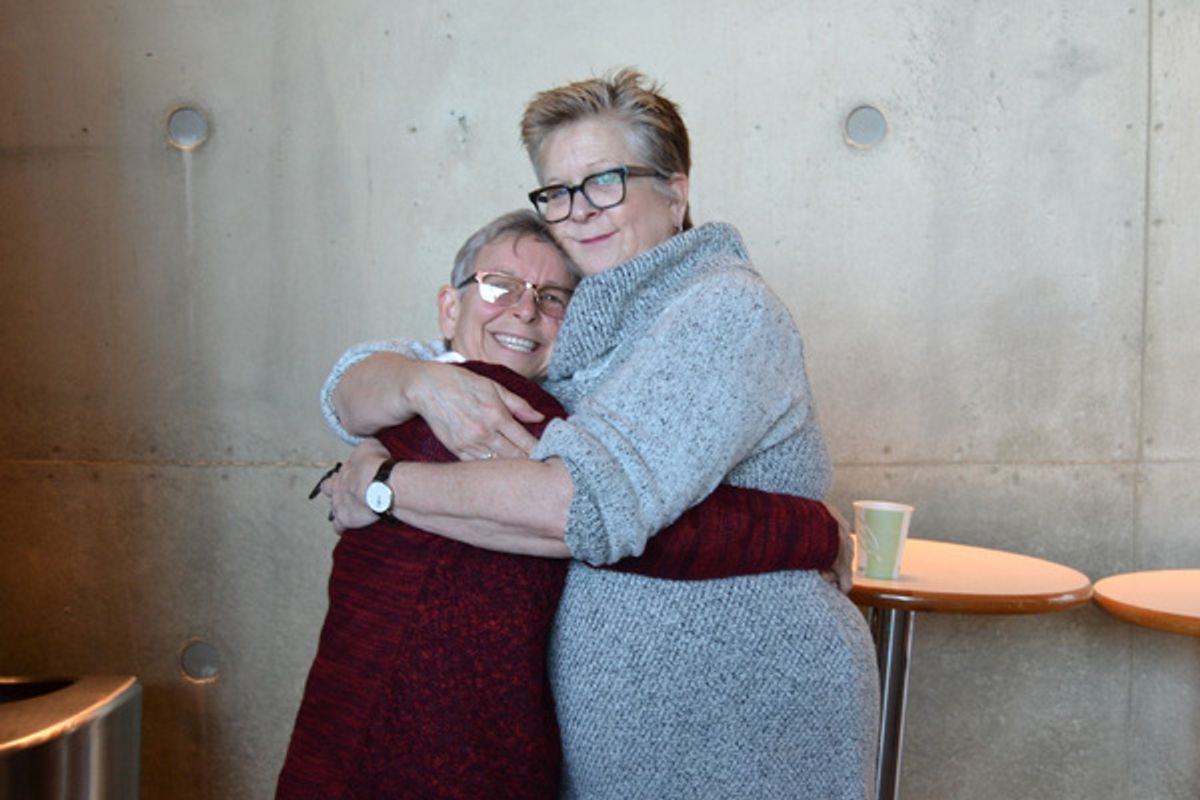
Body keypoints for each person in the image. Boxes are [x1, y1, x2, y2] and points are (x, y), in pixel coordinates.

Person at [323, 69, 878, 798]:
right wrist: (414, 382)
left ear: (676, 191)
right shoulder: (587, 327)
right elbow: (354, 383)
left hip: (738, 723)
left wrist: (385, 486)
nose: (578, 210)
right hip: (622, 737)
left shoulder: (721, 310)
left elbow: (582, 507)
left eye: (605, 180)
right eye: (557, 191)